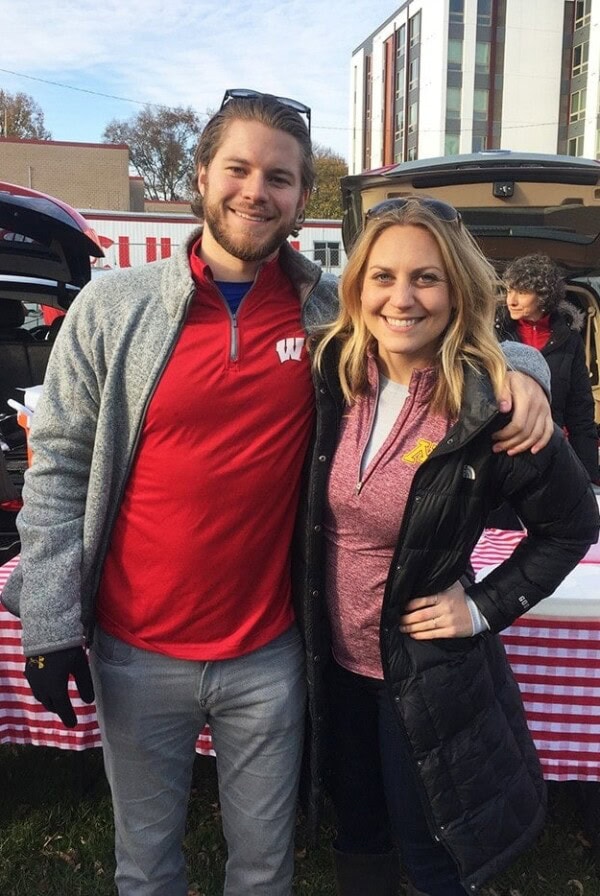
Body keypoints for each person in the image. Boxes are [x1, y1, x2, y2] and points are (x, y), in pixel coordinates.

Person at [2, 93, 553, 896]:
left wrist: (526, 374)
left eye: (281, 177)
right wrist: (49, 624)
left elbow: (449, 329)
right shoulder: (112, 308)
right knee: (145, 867)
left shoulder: (328, 309)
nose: (256, 191)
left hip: (270, 653)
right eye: (239, 168)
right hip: (136, 649)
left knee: (264, 870)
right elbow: (56, 470)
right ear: (200, 177)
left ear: (301, 199)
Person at [300, 198, 600, 896]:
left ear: (459, 288)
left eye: (426, 278)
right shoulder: (329, 374)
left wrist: (483, 608)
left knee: (431, 853)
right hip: (325, 664)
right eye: (382, 276)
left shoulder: (489, 402)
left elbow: (571, 525)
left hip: (422, 675)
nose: (401, 298)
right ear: (357, 286)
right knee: (359, 836)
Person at [497, 253, 599, 483]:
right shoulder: (492, 335)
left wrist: (590, 477)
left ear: (544, 296)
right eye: (509, 290)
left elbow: (580, 413)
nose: (510, 300)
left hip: (552, 455)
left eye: (521, 292)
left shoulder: (570, 341)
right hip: (502, 457)